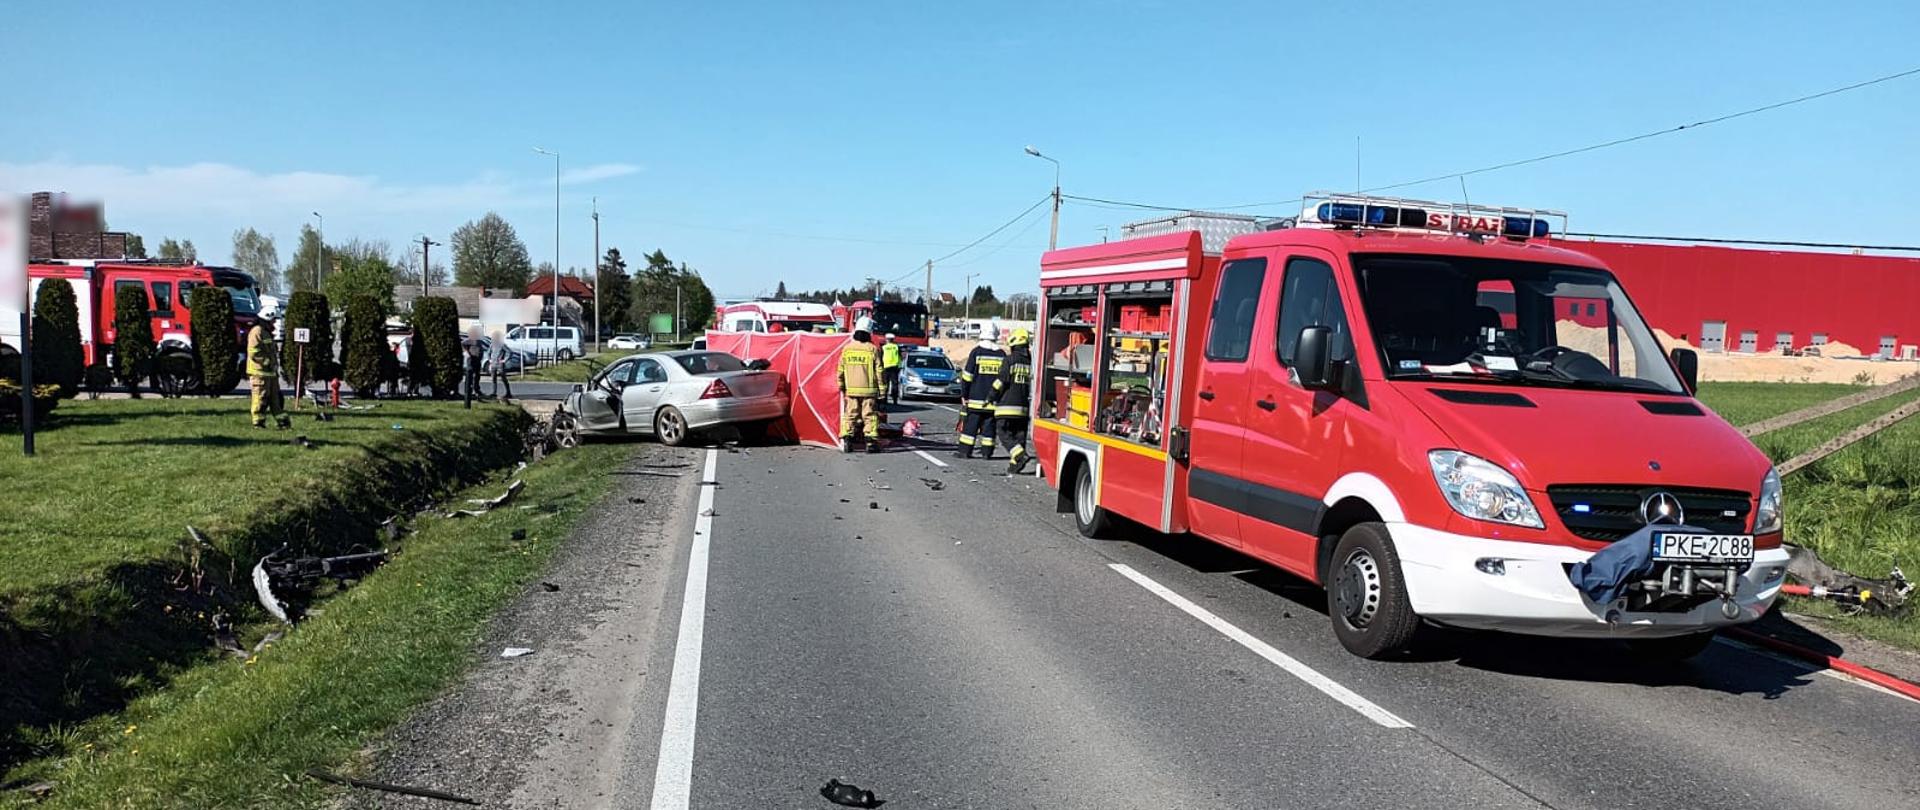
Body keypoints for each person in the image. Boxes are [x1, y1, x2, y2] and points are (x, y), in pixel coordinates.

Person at [954, 324, 1005, 459]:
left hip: (975, 399)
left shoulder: (976, 352)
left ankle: (965, 451)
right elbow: (1004, 378)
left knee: (970, 426)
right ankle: (987, 453)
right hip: (993, 400)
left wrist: (964, 394)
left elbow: (967, 376)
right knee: (989, 427)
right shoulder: (1001, 354)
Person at [991, 328, 1034, 475]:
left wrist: (991, 396)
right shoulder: (1031, 362)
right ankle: (1015, 465)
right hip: (1024, 407)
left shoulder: (1009, 360)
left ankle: (1019, 455)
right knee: (1019, 435)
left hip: (1007, 405)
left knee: (1003, 431)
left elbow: (1001, 381)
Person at [837, 324, 883, 452]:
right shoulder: (872, 349)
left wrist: (841, 384)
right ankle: (870, 443)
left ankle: (847, 440)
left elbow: (840, 369)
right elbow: (879, 370)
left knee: (850, 414)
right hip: (869, 390)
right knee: (869, 415)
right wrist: (882, 389)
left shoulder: (847, 349)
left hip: (851, 389)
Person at [246, 319, 291, 429]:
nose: (274, 323)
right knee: (261, 398)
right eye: (272, 320)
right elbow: (254, 352)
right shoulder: (257, 331)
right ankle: (258, 422)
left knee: (276, 400)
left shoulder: (266, 332)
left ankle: (282, 422)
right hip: (259, 373)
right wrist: (267, 362)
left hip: (270, 373)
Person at [488, 329, 513, 402]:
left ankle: (508, 392)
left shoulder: (502, 345)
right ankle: (494, 392)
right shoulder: (492, 345)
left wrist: (505, 360)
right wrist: (489, 359)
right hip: (493, 364)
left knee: (503, 378)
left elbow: (509, 352)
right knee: (493, 378)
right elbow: (488, 352)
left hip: (500, 364)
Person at [462, 326, 484, 409]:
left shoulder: (479, 341)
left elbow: (481, 349)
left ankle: (476, 390)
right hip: (472, 360)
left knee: (477, 376)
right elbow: (463, 344)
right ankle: (469, 392)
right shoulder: (470, 340)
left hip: (478, 361)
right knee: (470, 376)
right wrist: (467, 352)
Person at [880, 332, 903, 405]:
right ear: (893, 339)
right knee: (895, 384)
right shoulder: (896, 347)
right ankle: (895, 400)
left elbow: (880, 358)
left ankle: (884, 400)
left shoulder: (883, 347)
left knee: (885, 384)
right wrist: (900, 366)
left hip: (886, 367)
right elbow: (900, 357)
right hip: (895, 367)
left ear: (886, 339)